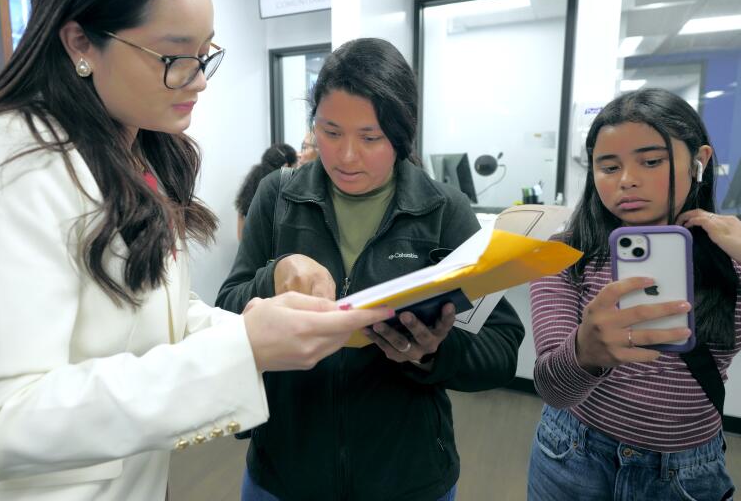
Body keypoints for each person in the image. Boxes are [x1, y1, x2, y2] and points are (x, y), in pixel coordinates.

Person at [0, 0, 391, 499]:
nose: (199, 79)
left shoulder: (135, 153)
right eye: (173, 56)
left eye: (205, 53)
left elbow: (160, 317)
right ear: (80, 41)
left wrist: (267, 327)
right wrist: (244, 349)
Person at [216, 37, 524, 501]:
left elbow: (500, 347)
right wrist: (272, 276)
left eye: (370, 137)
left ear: (401, 134)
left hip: (408, 478)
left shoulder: (444, 209)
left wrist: (433, 354)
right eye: (330, 131)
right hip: (284, 473)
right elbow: (223, 313)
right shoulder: (276, 198)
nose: (346, 156)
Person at [527, 88, 741, 500]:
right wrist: (586, 352)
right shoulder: (564, 253)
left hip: (685, 472)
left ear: (700, 161)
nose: (627, 180)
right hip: (571, 451)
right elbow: (553, 388)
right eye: (608, 166)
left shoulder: (731, 258)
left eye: (651, 161)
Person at [235, 143, 297, 239]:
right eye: (295, 168)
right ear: (286, 167)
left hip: (249, 251)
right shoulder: (281, 195)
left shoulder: (249, 189)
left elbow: (240, 237)